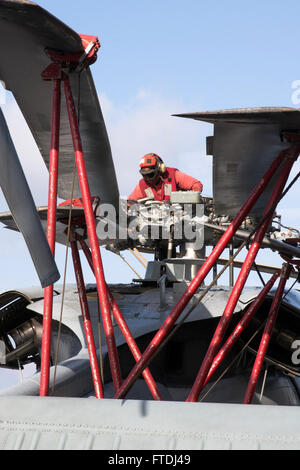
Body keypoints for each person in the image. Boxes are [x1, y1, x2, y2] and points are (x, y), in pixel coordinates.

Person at [128, 153, 203, 202]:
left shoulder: (174, 175)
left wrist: (185, 199)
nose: (147, 178)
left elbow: (196, 185)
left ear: (160, 169)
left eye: (150, 174)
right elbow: (130, 202)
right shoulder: (142, 185)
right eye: (144, 175)